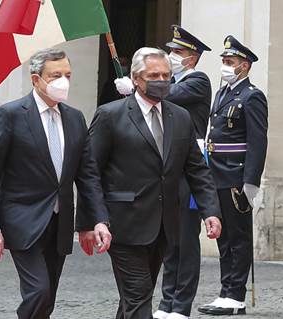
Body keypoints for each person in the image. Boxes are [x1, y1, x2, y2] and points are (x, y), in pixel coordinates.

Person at [87, 47, 222, 319]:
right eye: (154, 75)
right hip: (123, 224)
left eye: (166, 75)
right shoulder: (110, 115)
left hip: (163, 225)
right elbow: (90, 172)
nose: (161, 80)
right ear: (136, 79)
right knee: (138, 294)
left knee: (136, 295)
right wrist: (93, 220)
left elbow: (196, 169)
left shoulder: (180, 117)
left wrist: (211, 211)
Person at [0, 48, 112, 319]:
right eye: (55, 75)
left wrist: (96, 220)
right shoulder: (10, 115)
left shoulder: (74, 118)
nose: (63, 81)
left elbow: (87, 176)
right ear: (36, 79)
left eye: (68, 75)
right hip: (22, 220)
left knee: (47, 298)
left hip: (59, 223)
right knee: (38, 291)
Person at [198, 35, 268, 316]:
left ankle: (236, 294)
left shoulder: (252, 96)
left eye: (231, 62)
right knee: (223, 237)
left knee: (238, 237)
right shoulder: (222, 93)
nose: (225, 66)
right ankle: (226, 290)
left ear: (245, 66)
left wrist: (250, 181)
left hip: (236, 175)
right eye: (224, 61)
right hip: (216, 173)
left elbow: (258, 140)